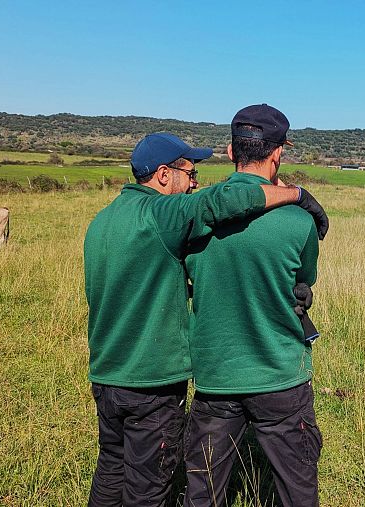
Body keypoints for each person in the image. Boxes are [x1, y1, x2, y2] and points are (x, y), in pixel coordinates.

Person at [83, 131, 328, 507]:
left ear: (232, 151)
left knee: (112, 470)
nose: (195, 182)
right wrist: (296, 195)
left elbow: (147, 283)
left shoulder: (103, 221)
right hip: (152, 379)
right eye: (190, 171)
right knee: (147, 490)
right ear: (164, 175)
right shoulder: (165, 216)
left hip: (107, 375)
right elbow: (230, 198)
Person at [184, 105, 322, 506]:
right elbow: (304, 282)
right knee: (297, 487)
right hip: (280, 373)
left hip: (214, 375)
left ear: (230, 151)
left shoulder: (192, 213)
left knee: (203, 488)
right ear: (278, 153)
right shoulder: (299, 222)